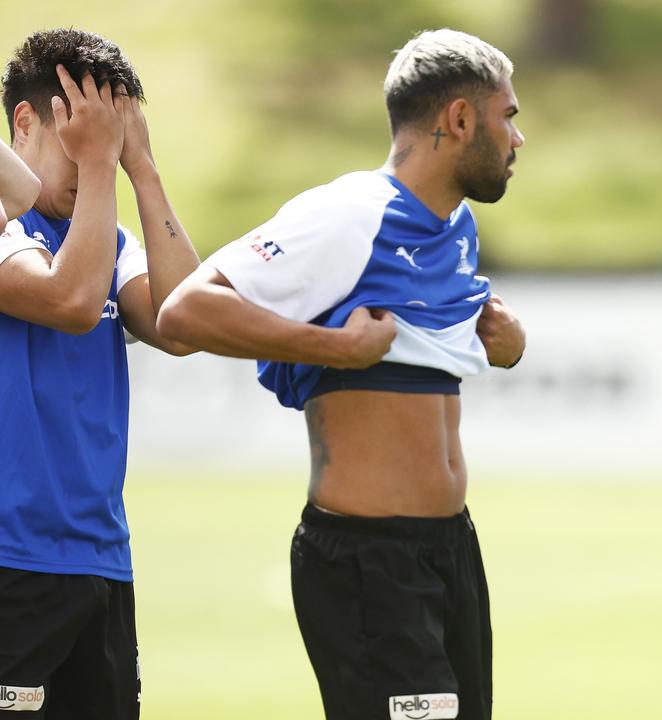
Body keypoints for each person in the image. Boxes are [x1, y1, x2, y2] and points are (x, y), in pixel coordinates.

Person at [157, 28, 526, 720]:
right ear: (458, 119)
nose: (519, 139)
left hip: (450, 550)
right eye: (508, 116)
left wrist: (509, 345)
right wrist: (333, 350)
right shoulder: (348, 214)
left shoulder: (458, 226)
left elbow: (447, 338)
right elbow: (185, 312)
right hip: (367, 559)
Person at [0, 29, 200, 719]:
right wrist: (100, 167)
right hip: (11, 563)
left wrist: (141, 169)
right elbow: (72, 301)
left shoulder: (106, 237)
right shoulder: (6, 223)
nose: (97, 162)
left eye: (109, 141)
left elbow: (183, 322)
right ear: (25, 121)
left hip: (100, 563)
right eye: (81, 137)